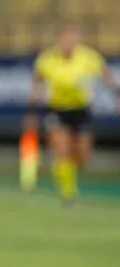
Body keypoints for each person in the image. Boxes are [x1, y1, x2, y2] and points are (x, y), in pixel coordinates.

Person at [27, 24, 119, 205]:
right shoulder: (48, 58)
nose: (68, 44)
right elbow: (37, 82)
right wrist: (32, 109)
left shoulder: (88, 57)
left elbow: (107, 76)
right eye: (65, 40)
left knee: (83, 156)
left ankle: (65, 173)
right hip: (58, 109)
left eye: (72, 40)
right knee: (63, 150)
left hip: (81, 110)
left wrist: (117, 96)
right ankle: (68, 193)